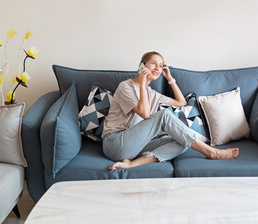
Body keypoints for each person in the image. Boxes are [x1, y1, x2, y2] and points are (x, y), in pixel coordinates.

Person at [102, 51, 239, 170]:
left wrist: (169, 78)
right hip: (115, 143)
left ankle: (132, 164)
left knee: (182, 141)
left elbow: (182, 103)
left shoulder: (152, 93)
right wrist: (143, 84)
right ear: (142, 66)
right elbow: (144, 113)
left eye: (161, 66)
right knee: (163, 115)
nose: (158, 68)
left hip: (135, 147)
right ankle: (210, 152)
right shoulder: (125, 86)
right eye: (154, 63)